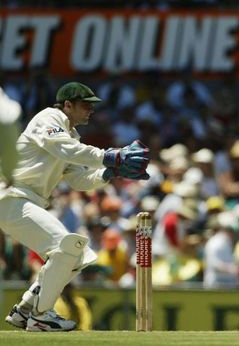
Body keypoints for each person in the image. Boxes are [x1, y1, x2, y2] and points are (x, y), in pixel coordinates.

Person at [1, 82, 150, 332]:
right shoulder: (49, 118)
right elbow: (64, 148)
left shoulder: (71, 135)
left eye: (92, 106)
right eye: (85, 105)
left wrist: (110, 171)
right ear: (67, 105)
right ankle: (41, 315)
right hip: (10, 196)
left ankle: (26, 308)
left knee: (79, 254)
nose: (90, 110)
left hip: (24, 201)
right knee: (65, 245)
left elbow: (77, 179)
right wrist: (109, 156)